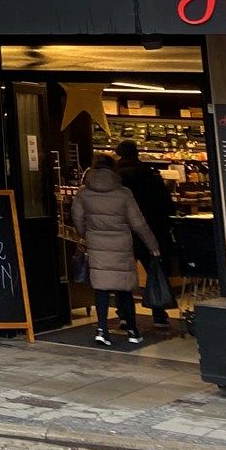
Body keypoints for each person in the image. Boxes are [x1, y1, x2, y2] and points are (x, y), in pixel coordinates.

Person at [71, 157, 160, 348]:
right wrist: (153, 245)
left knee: (101, 288)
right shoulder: (124, 193)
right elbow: (138, 223)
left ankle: (102, 330)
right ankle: (132, 330)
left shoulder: (84, 193)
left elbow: (77, 218)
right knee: (124, 288)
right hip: (121, 244)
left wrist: (85, 234)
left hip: (96, 243)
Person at [115, 139, 177, 328]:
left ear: (119, 154)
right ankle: (159, 313)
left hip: (122, 231)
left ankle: (124, 314)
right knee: (154, 270)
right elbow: (166, 204)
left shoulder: (115, 177)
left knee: (122, 274)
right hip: (149, 229)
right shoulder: (150, 175)